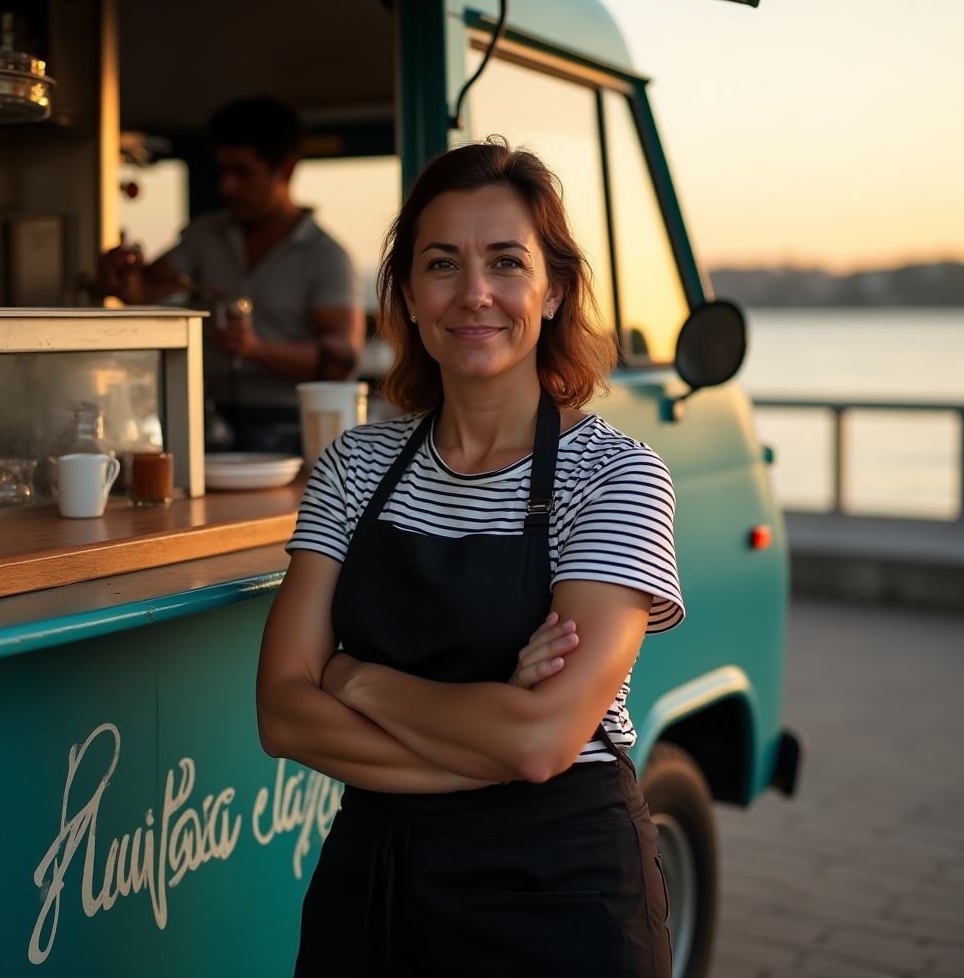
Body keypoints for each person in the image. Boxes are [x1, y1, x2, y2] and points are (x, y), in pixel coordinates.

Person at [256, 140, 684, 977]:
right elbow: (279, 715)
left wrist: (353, 680)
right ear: (409, 297)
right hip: (373, 886)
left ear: (554, 290)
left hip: (561, 890)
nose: (475, 293)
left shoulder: (620, 478)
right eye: (442, 264)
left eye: (506, 262)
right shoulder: (353, 466)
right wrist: (487, 735)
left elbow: (540, 743)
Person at [99, 97, 363, 453]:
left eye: (243, 173)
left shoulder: (326, 255)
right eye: (223, 172)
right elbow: (142, 288)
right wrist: (122, 275)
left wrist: (256, 349)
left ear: (284, 170)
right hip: (203, 418)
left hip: (290, 426)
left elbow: (342, 360)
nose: (227, 187)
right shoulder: (204, 236)